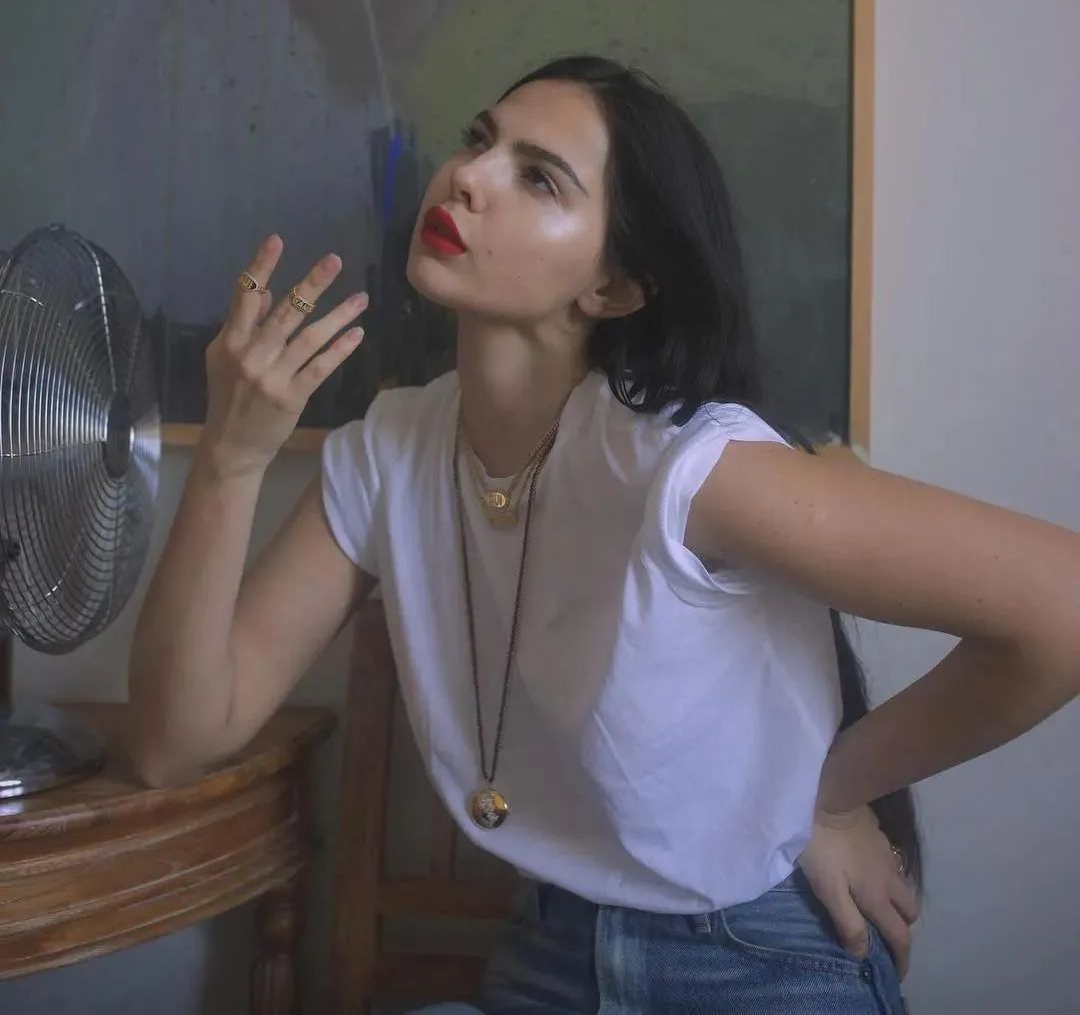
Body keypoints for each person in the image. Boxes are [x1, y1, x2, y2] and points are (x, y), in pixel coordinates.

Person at [128, 56, 1080, 1013]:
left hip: (754, 953)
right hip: (550, 948)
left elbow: (1061, 606)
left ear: (614, 288)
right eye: (478, 140)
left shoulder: (688, 466)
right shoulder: (387, 453)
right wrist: (230, 461)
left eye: (538, 178)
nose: (467, 176)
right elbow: (175, 743)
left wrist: (829, 793)